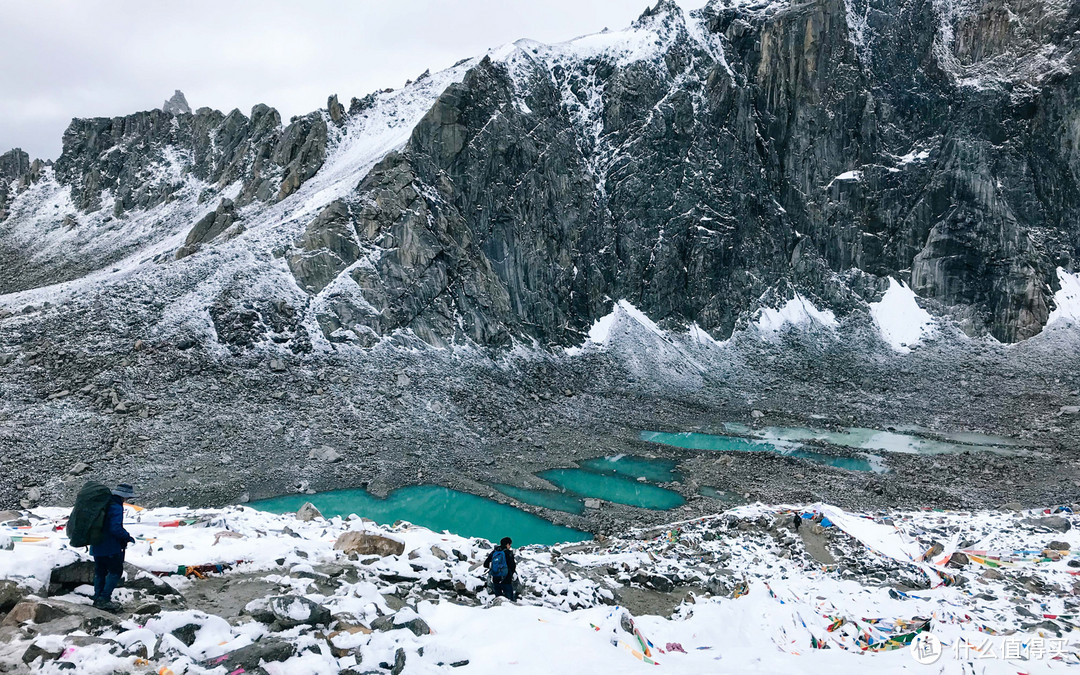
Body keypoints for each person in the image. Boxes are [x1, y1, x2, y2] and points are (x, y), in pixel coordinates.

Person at [90, 483, 137, 611]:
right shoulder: (116, 507)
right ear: (124, 496)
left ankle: (97, 597)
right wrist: (127, 537)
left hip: (96, 544)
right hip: (110, 546)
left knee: (100, 571)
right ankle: (104, 599)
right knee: (115, 571)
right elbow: (115, 528)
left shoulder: (103, 504)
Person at [483, 537, 517, 601]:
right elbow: (513, 566)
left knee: (499, 600)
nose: (510, 546)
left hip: (495, 579)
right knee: (509, 601)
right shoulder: (508, 553)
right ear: (507, 544)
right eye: (510, 545)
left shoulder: (494, 552)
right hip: (506, 580)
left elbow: (485, 564)